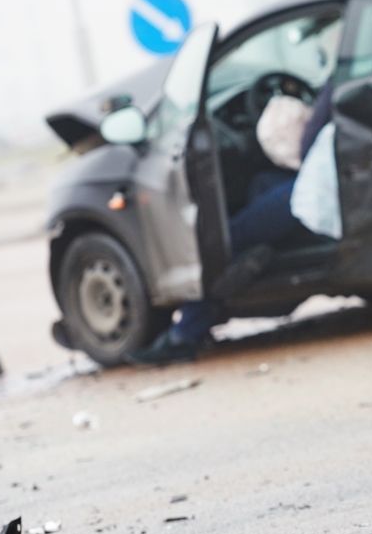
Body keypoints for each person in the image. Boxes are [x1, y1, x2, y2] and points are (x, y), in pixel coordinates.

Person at [125, 82, 339, 365]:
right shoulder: (351, 74)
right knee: (260, 182)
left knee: (227, 236)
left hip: (316, 187)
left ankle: (185, 334)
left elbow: (307, 143)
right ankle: (265, 250)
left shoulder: (341, 80)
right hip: (321, 176)